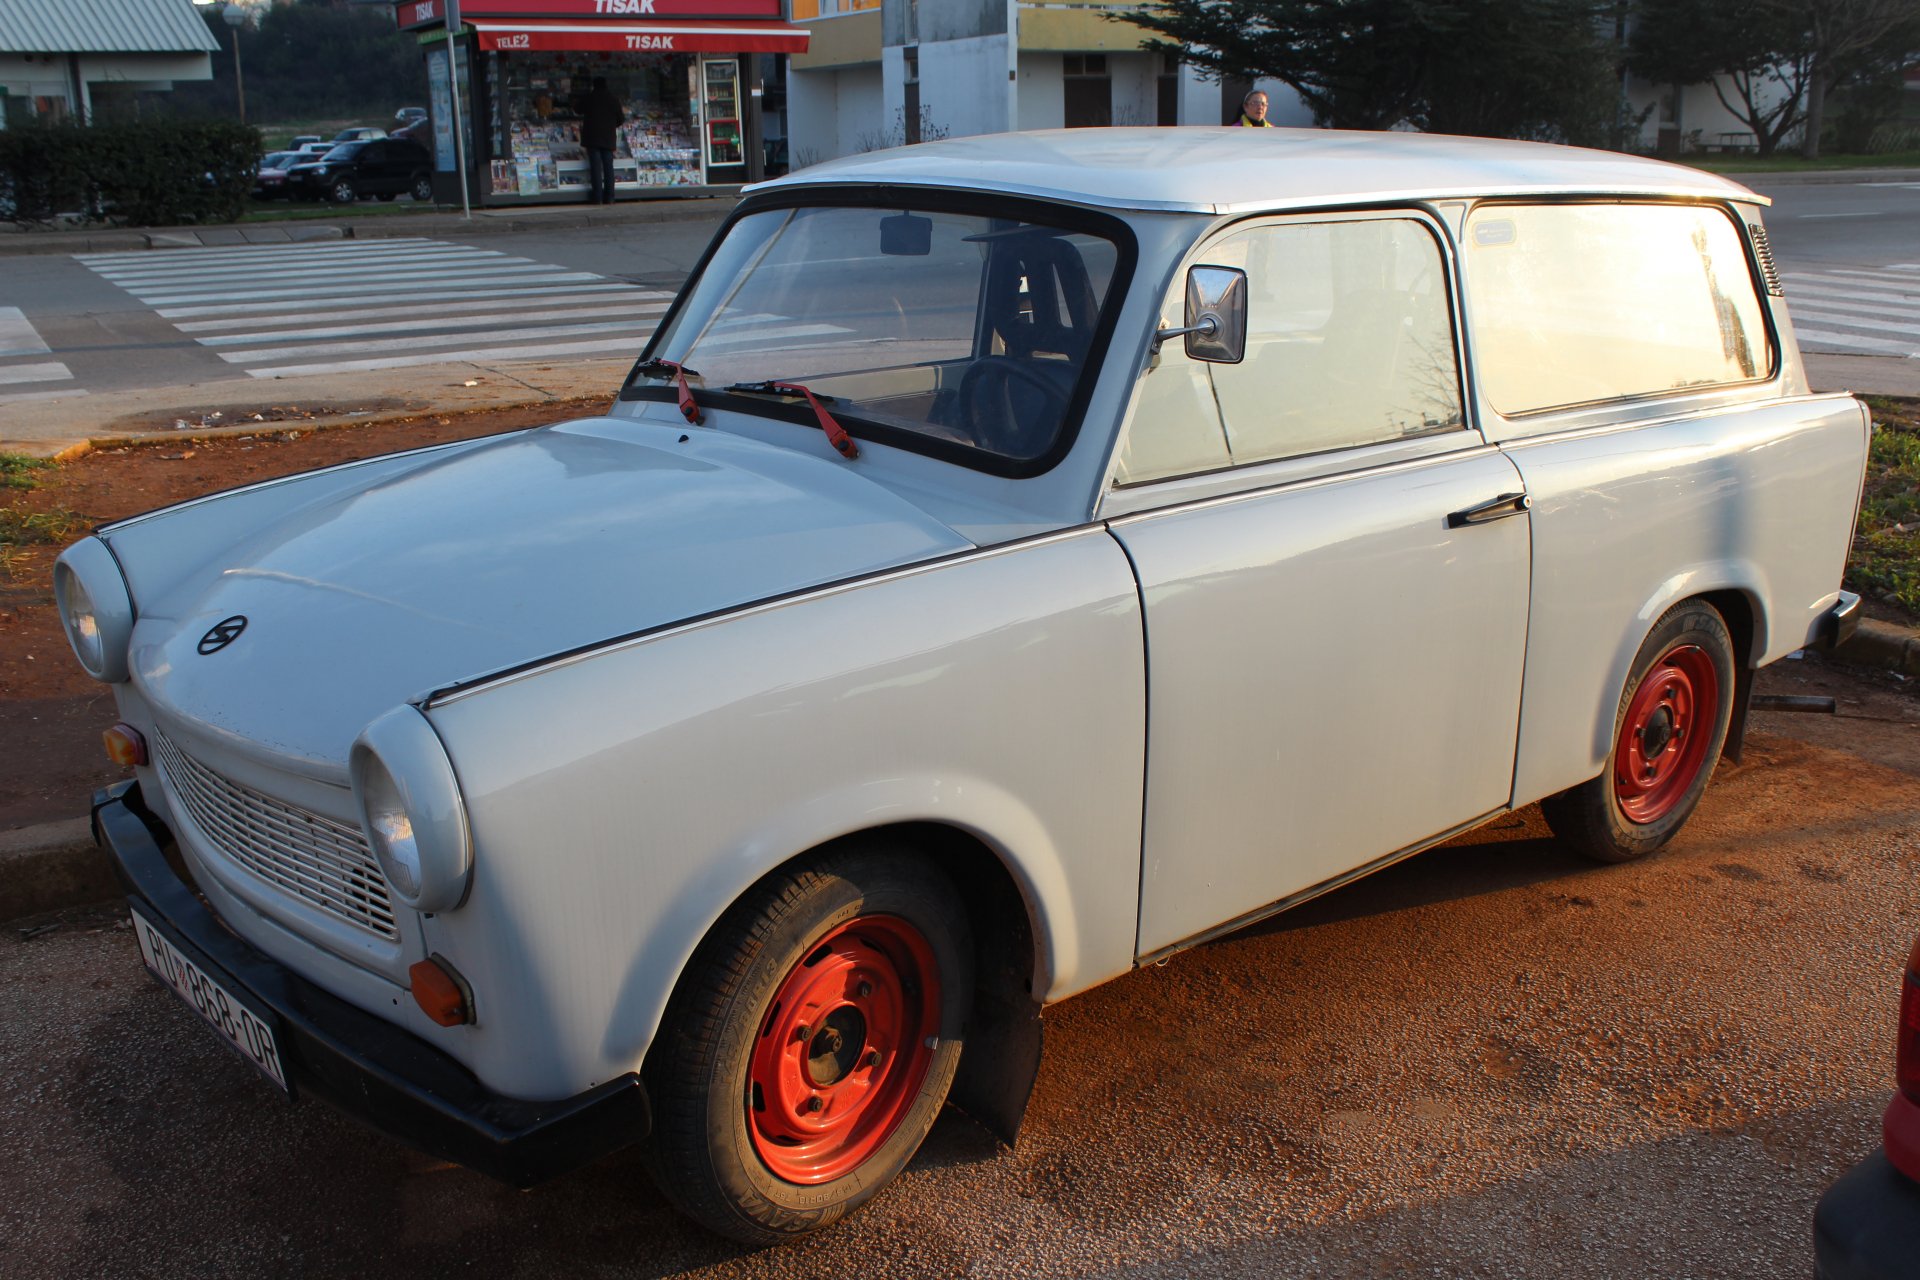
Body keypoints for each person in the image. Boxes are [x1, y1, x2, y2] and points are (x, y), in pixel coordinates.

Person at [580, 76, 625, 205]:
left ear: (594, 85)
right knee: (608, 167)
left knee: (595, 168)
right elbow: (621, 119)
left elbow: (577, 109)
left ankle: (597, 197)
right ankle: (610, 197)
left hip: (592, 137)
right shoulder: (613, 99)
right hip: (608, 138)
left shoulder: (590, 97)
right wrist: (611, 125)